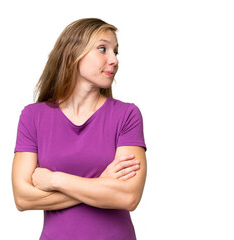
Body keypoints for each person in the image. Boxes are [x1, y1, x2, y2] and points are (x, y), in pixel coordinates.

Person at [12, 18, 147, 240]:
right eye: (103, 49)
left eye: (116, 51)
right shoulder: (33, 116)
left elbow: (128, 197)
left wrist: (55, 180)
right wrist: (100, 185)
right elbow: (23, 198)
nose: (114, 60)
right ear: (73, 53)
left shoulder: (127, 115)